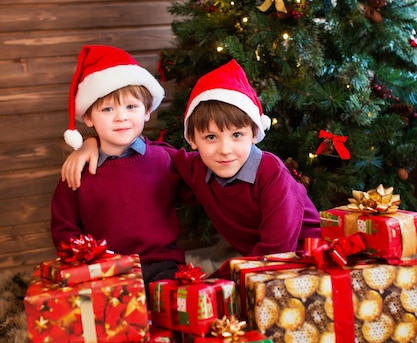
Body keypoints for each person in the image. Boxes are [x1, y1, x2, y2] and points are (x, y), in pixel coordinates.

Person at [62, 59, 321, 258]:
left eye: (237, 135)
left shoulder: (271, 173)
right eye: (210, 137)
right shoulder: (195, 168)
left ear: (255, 134)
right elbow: (150, 156)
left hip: (306, 258)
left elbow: (276, 251)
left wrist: (222, 279)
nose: (225, 149)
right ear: (193, 141)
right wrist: (90, 143)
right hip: (258, 265)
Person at [51, 45, 189, 297]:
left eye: (131, 107)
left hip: (162, 264)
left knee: (171, 313)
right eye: (107, 109)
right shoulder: (79, 171)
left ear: (147, 111)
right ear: (89, 117)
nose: (120, 118)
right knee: (116, 326)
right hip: (107, 271)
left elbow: (202, 183)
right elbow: (64, 229)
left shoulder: (163, 159)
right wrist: (83, 262)